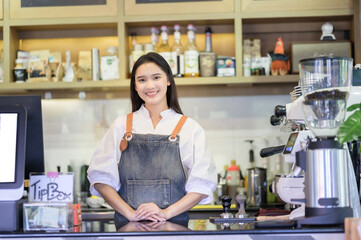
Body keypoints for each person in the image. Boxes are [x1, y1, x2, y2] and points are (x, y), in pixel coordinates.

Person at [87, 52, 217, 223]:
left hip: (173, 231)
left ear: (168, 80)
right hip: (129, 231)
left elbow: (203, 184)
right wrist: (130, 214)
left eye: (156, 77)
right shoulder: (121, 126)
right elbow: (100, 178)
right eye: (142, 80)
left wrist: (166, 213)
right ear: (134, 85)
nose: (150, 85)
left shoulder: (189, 128)